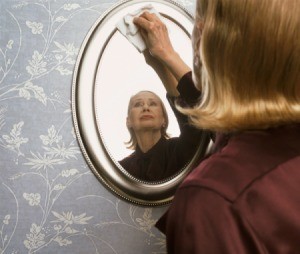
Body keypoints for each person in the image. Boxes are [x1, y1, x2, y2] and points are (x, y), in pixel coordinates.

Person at [133, 0, 300, 253]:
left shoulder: (214, 199)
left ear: (202, 38)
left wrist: (169, 57)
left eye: (200, 20)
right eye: (138, 105)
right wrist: (166, 60)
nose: (145, 108)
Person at [119, 49, 207, 182]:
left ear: (164, 120)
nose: (145, 107)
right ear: (128, 121)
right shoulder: (121, 168)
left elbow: (192, 120)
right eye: (137, 104)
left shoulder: (179, 149)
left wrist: (156, 63)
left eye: (153, 103)